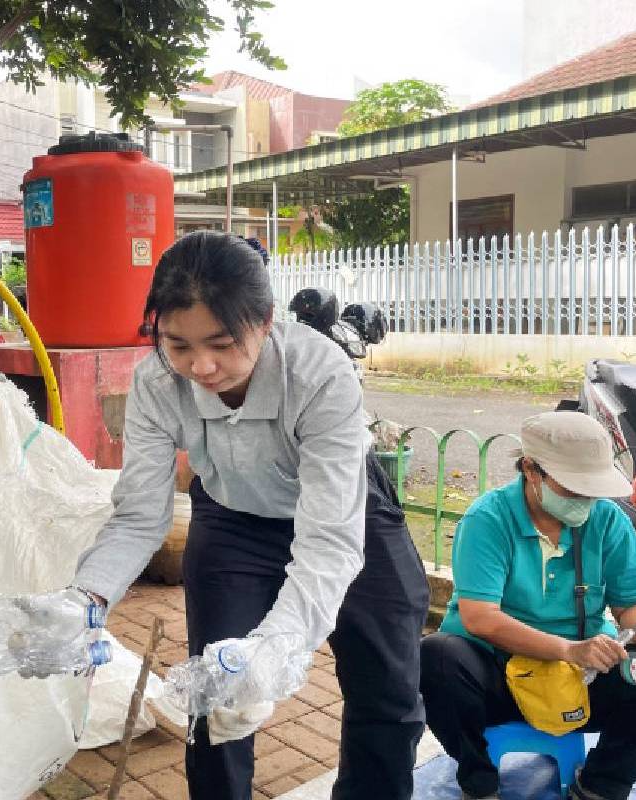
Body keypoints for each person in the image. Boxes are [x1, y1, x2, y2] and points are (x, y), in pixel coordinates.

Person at [26, 231, 430, 799]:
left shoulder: (319, 374)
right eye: (178, 344)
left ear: (265, 322)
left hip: (344, 514)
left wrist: (278, 646)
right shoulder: (156, 382)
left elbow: (329, 541)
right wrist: (85, 600)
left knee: (387, 685)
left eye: (222, 343)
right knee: (216, 694)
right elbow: (139, 515)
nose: (202, 366)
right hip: (233, 519)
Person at [421, 412, 636, 800]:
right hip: (497, 676)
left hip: (581, 679)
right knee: (436, 657)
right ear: (531, 470)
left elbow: (634, 600)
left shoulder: (608, 521)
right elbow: (480, 619)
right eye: (573, 488)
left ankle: (600, 785)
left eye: (592, 489)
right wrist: (568, 649)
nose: (585, 500)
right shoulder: (488, 519)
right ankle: (479, 782)